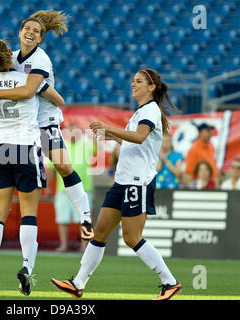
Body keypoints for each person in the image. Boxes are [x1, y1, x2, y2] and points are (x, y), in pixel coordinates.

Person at [50, 68, 182, 300]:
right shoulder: (141, 112)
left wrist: (110, 128)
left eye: (138, 81)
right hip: (122, 181)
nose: (133, 84)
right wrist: (110, 136)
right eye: (133, 80)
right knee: (99, 233)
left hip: (137, 182)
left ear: (151, 87)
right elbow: (135, 141)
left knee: (132, 237)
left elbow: (140, 137)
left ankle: (169, 282)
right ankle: (78, 283)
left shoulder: (150, 111)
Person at [0, 10, 94, 241]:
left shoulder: (40, 59)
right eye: (27, 29)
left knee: (63, 167)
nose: (31, 32)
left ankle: (86, 218)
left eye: (36, 31)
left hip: (43, 122)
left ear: (40, 39)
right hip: (19, 126)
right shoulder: (12, 57)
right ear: (19, 33)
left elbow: (29, 90)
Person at [0, 38, 65, 296]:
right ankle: (26, 268)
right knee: (29, 213)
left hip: (0, 147)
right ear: (8, 53)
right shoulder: (26, 79)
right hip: (25, 147)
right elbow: (56, 99)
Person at [47, 124, 95, 253]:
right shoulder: (60, 147)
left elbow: (98, 145)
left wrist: (92, 132)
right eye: (71, 131)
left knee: (84, 220)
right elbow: (51, 169)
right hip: (63, 190)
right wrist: (48, 188)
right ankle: (63, 245)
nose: (73, 133)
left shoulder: (87, 145)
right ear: (66, 133)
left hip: (84, 189)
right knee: (63, 219)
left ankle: (84, 247)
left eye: (76, 131)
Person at [184, 123, 218, 188]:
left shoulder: (211, 147)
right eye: (207, 131)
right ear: (200, 132)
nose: (210, 133)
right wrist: (192, 190)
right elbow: (189, 172)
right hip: (201, 186)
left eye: (210, 131)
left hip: (212, 185)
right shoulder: (194, 149)